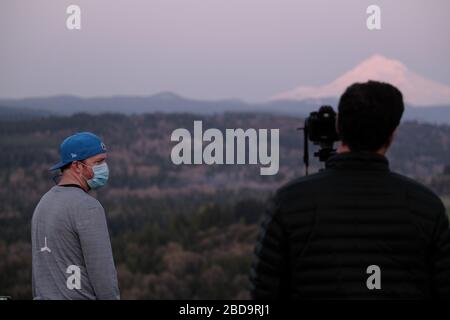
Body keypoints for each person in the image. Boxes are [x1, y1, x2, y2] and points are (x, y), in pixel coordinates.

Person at [250, 81, 450, 299]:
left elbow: (262, 295)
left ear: (338, 126)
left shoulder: (289, 203)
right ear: (392, 135)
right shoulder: (427, 208)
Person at [31, 132, 120, 300]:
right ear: (77, 166)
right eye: (98, 162)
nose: (104, 167)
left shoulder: (44, 203)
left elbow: (39, 270)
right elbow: (102, 271)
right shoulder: (87, 207)